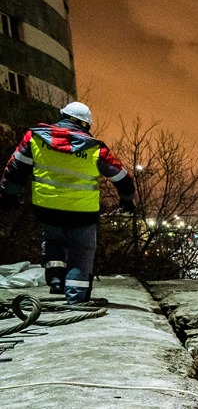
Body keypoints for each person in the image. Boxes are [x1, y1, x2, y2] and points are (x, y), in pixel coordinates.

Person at [0, 102, 135, 304]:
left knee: (53, 241)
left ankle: (56, 280)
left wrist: (9, 194)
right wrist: (127, 199)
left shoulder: (36, 137)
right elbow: (122, 177)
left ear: (61, 115)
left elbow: (16, 167)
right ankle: (76, 298)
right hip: (82, 213)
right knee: (82, 251)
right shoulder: (95, 148)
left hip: (47, 208)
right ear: (86, 125)